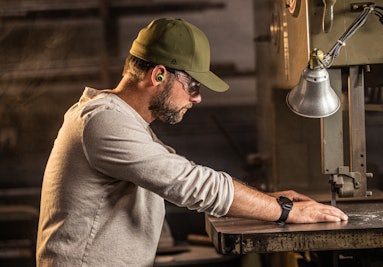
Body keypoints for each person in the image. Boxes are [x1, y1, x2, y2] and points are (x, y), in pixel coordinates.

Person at [36, 18, 348, 266]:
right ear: (159, 75)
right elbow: (190, 183)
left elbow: (186, 181)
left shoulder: (124, 122)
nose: (197, 98)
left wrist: (267, 200)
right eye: (193, 85)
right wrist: (285, 211)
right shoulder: (103, 122)